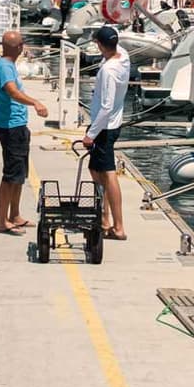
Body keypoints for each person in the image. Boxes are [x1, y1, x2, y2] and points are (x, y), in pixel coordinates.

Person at [0, 30, 48, 234]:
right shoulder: (4, 67)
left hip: (18, 125)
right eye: (21, 44)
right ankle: (1, 219)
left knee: (20, 174)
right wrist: (35, 102)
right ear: (16, 47)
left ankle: (14, 214)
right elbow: (12, 91)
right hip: (11, 127)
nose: (23, 47)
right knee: (10, 174)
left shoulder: (7, 65)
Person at [81, 25, 131, 241]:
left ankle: (117, 226)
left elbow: (107, 106)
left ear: (100, 45)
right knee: (95, 169)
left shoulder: (109, 71)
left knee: (108, 175)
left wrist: (90, 134)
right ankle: (103, 216)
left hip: (105, 127)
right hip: (112, 124)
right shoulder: (124, 57)